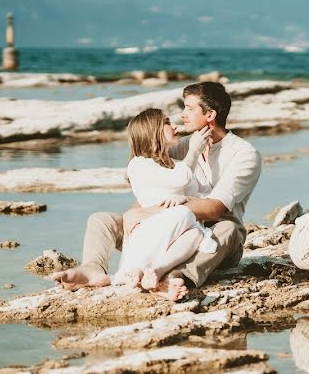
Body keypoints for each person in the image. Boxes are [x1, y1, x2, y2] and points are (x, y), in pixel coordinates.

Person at [52, 82, 262, 300]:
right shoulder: (184, 145)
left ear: (210, 114)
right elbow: (153, 185)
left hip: (213, 239)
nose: (183, 115)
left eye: (189, 108)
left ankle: (174, 276)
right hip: (166, 229)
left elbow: (215, 209)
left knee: (228, 229)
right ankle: (92, 268)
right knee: (102, 220)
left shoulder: (243, 154)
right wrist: (135, 211)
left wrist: (150, 212)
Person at [112, 108, 218, 297]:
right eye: (167, 123)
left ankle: (156, 272)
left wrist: (186, 199)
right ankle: (138, 271)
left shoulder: (177, 163)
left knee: (197, 233)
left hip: (177, 231)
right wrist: (193, 151)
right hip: (148, 233)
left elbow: (203, 193)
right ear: (153, 132)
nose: (175, 125)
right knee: (184, 213)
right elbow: (181, 179)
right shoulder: (138, 164)